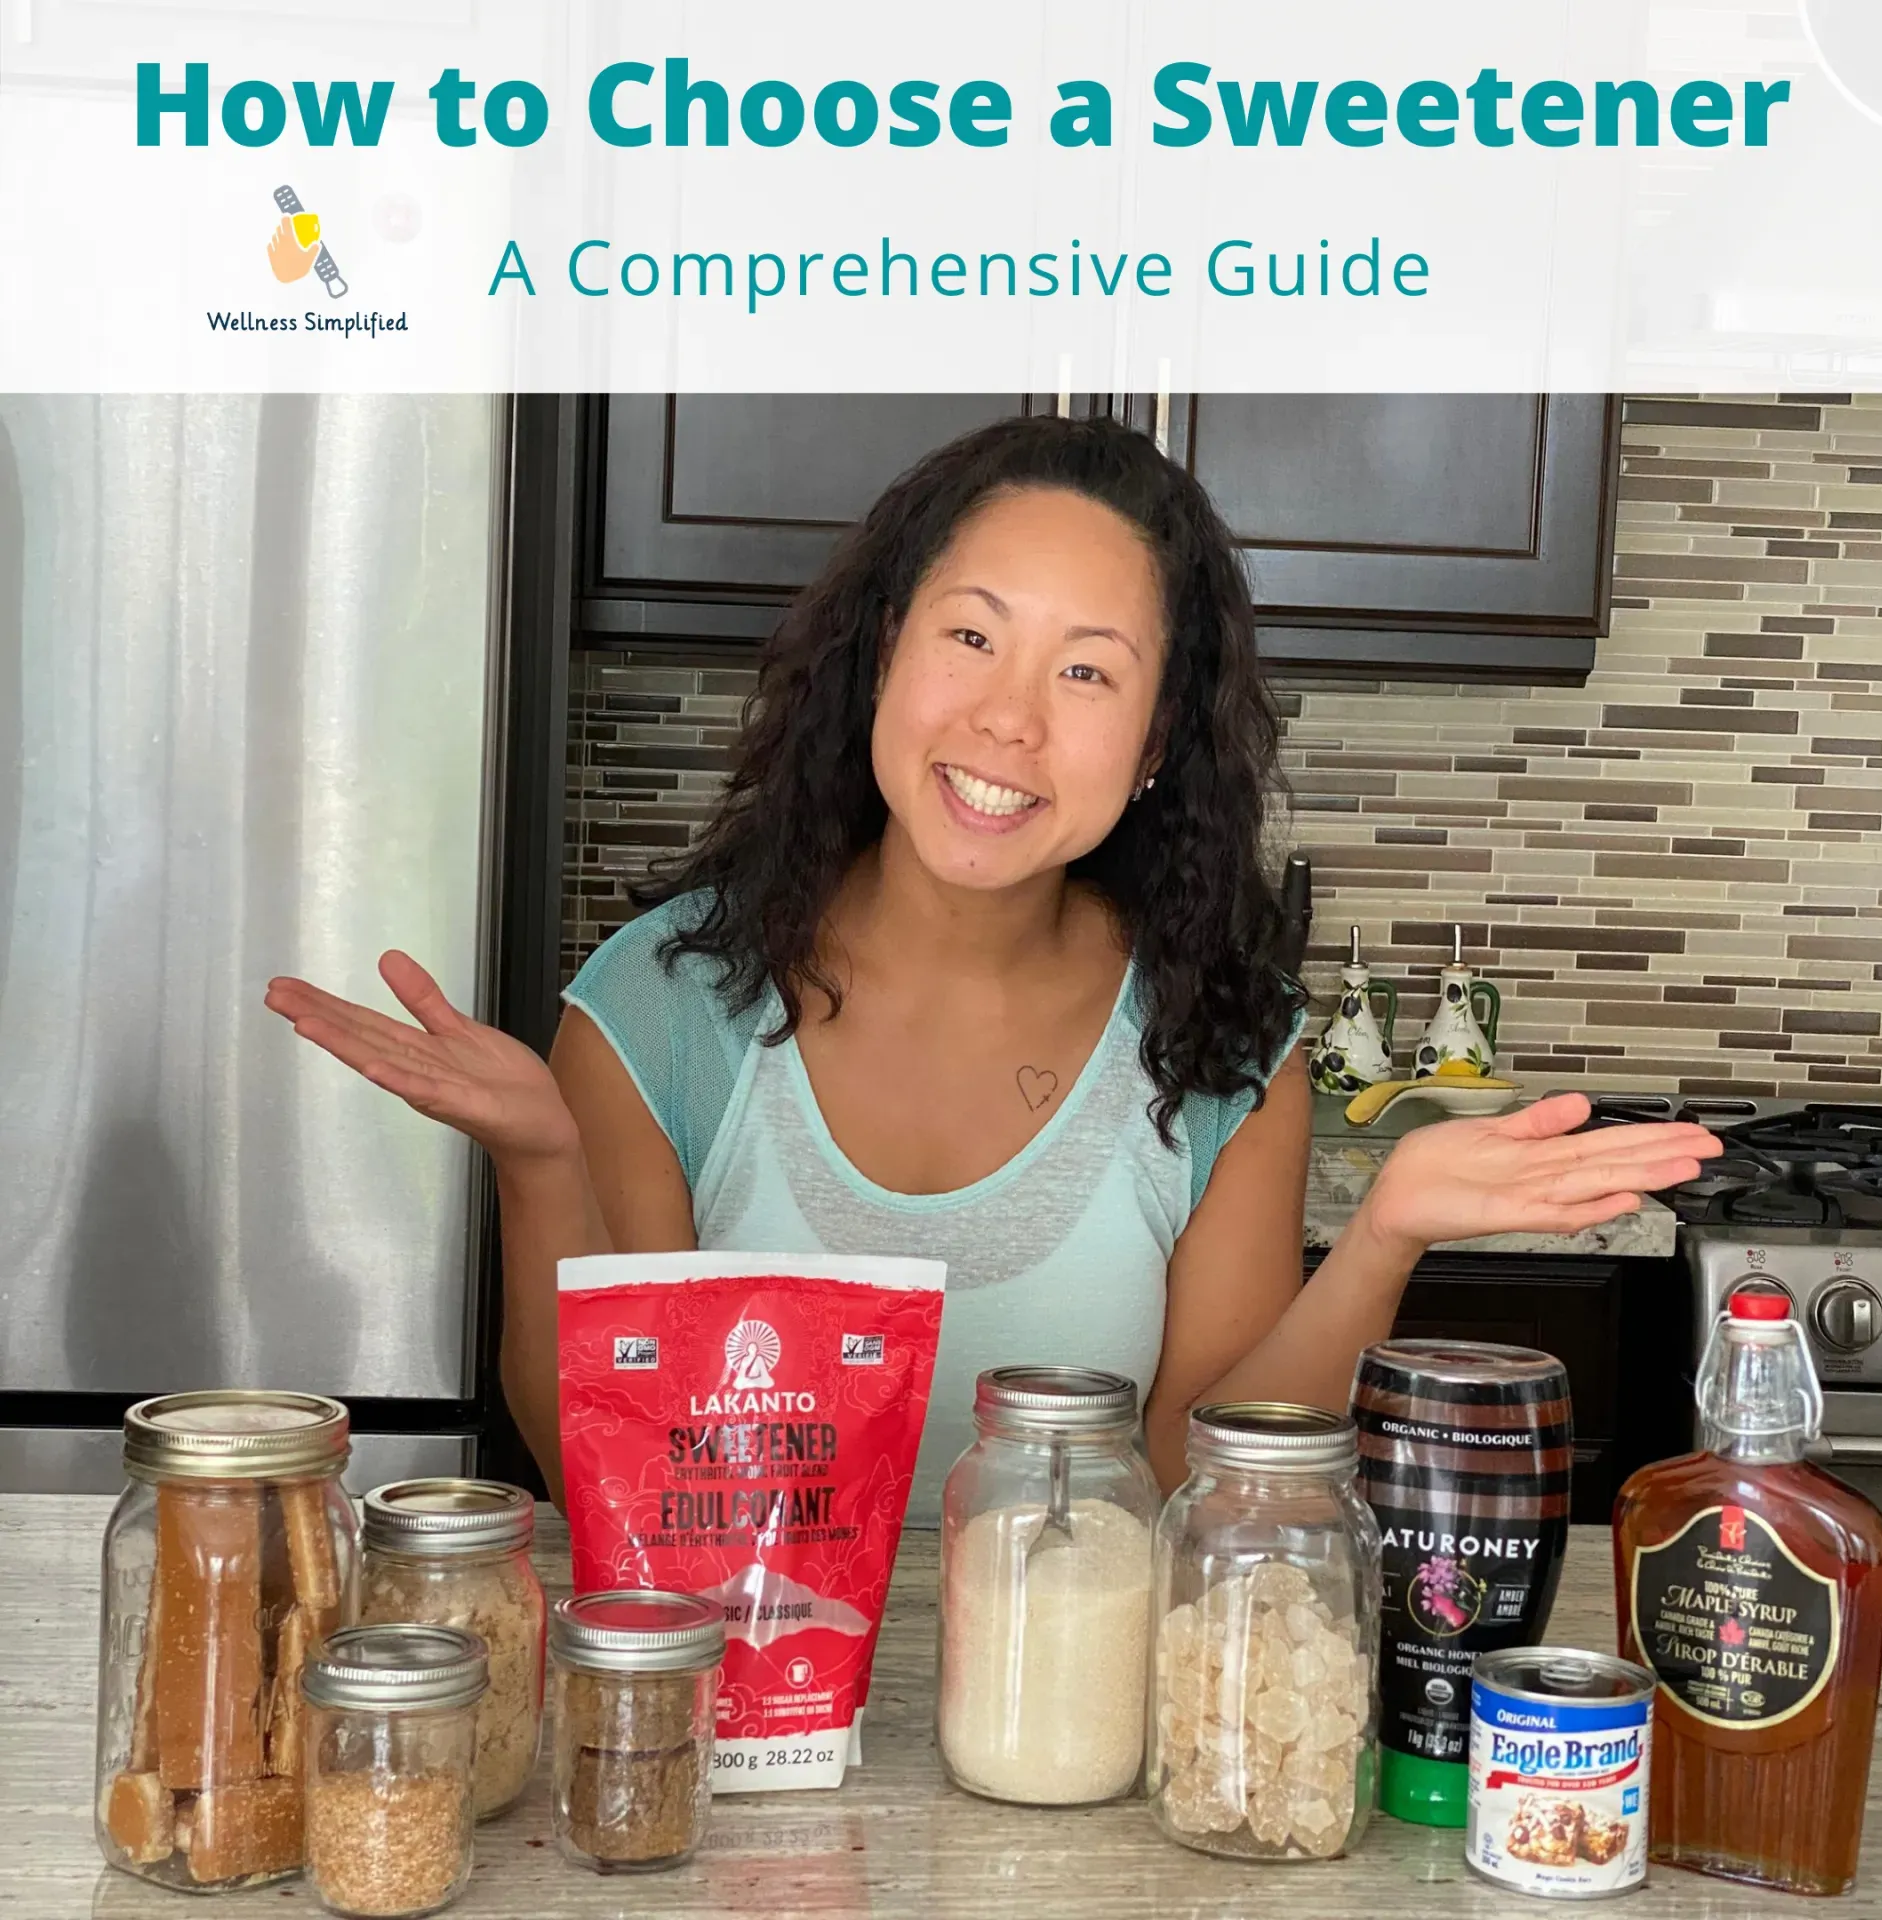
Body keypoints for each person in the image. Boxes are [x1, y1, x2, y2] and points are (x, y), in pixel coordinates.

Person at [266, 414, 1717, 1521]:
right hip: (734, 1729)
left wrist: (1386, 1236)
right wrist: (538, 1160)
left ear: (1154, 751)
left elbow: (1192, 1472)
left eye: (1088, 671)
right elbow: (616, 1481)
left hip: (1073, 1733)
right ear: (885, 652)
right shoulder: (662, 1009)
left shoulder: (1219, 1045)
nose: (1010, 721)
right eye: (972, 636)